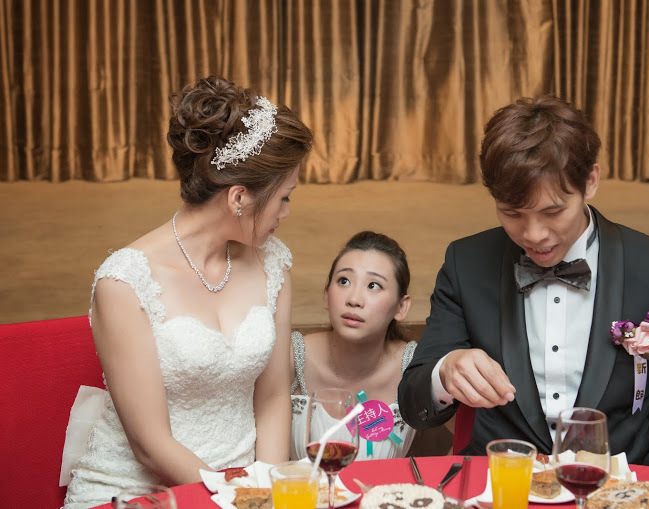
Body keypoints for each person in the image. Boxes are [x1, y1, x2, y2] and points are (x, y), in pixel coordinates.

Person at [398, 95, 649, 470]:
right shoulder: (466, 264)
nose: (534, 234)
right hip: (501, 486)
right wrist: (444, 372)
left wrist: (643, 492)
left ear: (591, 181)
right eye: (512, 213)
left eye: (552, 211)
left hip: (617, 489)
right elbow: (413, 403)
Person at [62, 76, 313, 508]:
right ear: (239, 197)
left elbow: (273, 395)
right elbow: (150, 445)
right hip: (137, 492)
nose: (286, 212)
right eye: (284, 197)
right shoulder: (125, 282)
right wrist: (234, 498)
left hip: (245, 490)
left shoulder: (273, 264)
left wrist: (265, 492)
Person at [290, 231, 417, 461]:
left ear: (401, 307)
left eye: (374, 285)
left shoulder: (413, 366)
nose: (354, 300)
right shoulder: (293, 356)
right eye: (344, 281)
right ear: (326, 295)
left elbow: (468, 434)